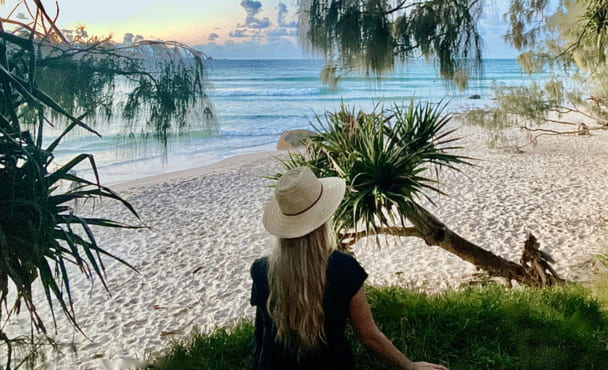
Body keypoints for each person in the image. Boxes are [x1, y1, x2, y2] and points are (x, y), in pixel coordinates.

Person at [250, 167, 448, 370]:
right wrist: (410, 366)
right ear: (324, 217)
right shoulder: (342, 267)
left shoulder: (261, 269)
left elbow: (262, 332)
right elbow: (369, 336)